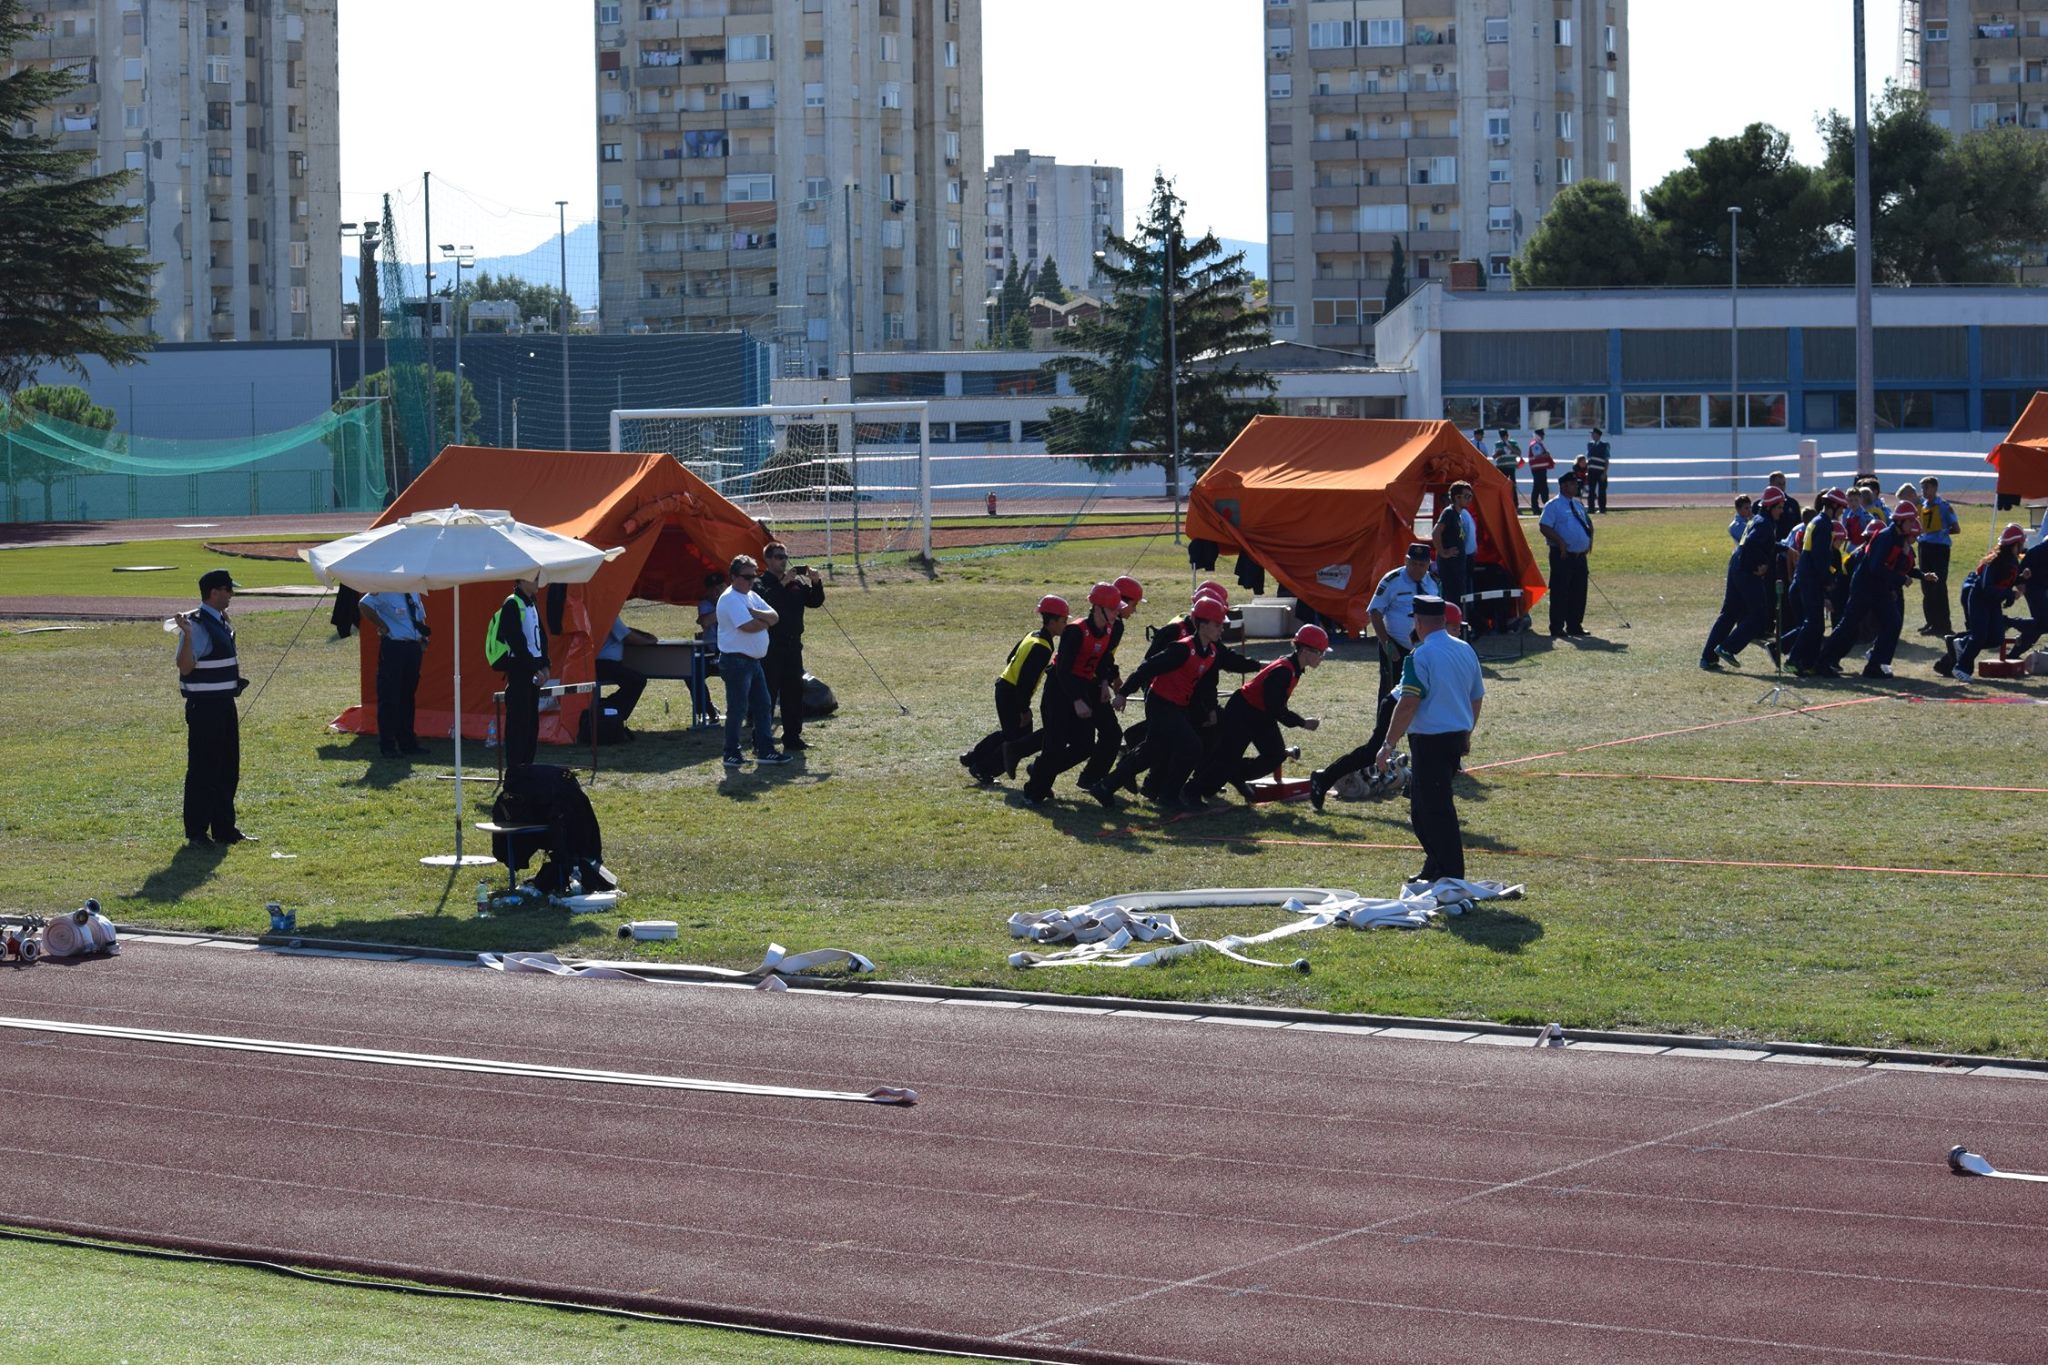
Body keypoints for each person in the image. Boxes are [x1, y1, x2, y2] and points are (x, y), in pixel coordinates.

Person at [1309, 544, 1437, 812]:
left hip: (1411, 684)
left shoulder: (1431, 646)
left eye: (1422, 565)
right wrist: (1387, 642)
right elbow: (1375, 611)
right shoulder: (1418, 653)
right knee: (1377, 746)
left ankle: (1416, 786)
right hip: (1399, 692)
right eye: (1413, 563)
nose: (1417, 569)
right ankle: (1324, 778)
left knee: (1423, 733)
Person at [1107, 595, 1258, 810]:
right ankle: (1170, 796)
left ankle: (1105, 787)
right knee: (1191, 746)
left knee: (1152, 751)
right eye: (1217, 625)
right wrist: (1123, 693)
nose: (1221, 629)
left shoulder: (1212, 650)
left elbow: (1221, 673)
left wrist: (1259, 666)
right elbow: (1148, 668)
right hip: (1160, 703)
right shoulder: (1183, 648)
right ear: (1203, 625)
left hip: (1178, 705)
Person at [1375, 595, 1484, 887]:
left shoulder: (1419, 656)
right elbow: (1476, 697)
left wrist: (1387, 744)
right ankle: (1435, 866)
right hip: (1455, 737)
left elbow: (1408, 702)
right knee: (1423, 807)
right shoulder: (1465, 650)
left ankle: (1450, 874)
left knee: (1435, 810)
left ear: (1419, 622)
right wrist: (1468, 733)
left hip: (1430, 741)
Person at [1185, 624, 1326, 810]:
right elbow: (1274, 707)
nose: (1322, 658)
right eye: (1320, 653)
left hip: (1261, 714)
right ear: (1306, 650)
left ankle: (1235, 775)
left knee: (1275, 754)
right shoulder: (1284, 671)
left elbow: (1272, 707)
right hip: (1243, 712)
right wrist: (1302, 722)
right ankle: (1190, 791)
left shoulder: (1292, 668)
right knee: (1226, 758)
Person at [1022, 582, 1127, 807]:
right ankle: (1034, 792)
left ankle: (1039, 770)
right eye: (1113, 609)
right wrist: (1077, 701)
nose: (1118, 612)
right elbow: (1063, 670)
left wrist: (1103, 683)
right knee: (1055, 742)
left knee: (1084, 745)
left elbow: (1104, 659)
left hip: (1086, 687)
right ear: (1097, 608)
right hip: (1060, 689)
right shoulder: (1075, 631)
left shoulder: (1113, 629)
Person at [174, 568, 253, 848]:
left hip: (224, 704)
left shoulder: (219, 621)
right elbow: (185, 666)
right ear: (214, 592)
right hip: (205, 708)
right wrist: (186, 635)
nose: (232, 594)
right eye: (228, 590)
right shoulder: (196, 625)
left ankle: (224, 828)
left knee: (228, 768)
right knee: (203, 770)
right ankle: (197, 832)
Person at [1817, 503, 1935, 678]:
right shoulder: (1885, 537)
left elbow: (1899, 567)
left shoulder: (1898, 541)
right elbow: (1875, 567)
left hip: (1879, 589)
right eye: (1910, 521)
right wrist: (1901, 579)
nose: (1912, 525)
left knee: (1893, 622)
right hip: (1864, 587)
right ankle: (1822, 662)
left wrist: (1922, 575)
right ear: (1900, 521)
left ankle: (1876, 665)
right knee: (1848, 625)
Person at [960, 594, 1066, 782]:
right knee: (1017, 739)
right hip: (1012, 693)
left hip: (1005, 687)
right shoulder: (1042, 648)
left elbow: (1010, 658)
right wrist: (1024, 710)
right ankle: (983, 769)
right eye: (1064, 620)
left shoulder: (1033, 635)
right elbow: (1025, 683)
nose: (1066, 624)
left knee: (1011, 733)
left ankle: (973, 757)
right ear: (1052, 622)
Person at [715, 554, 789, 769]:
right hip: (736, 662)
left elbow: (774, 616)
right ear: (733, 576)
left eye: (753, 577)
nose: (750, 581)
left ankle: (765, 750)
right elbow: (747, 627)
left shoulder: (750, 597)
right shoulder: (730, 598)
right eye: (746, 577)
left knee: (764, 705)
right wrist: (765, 622)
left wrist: (758, 615)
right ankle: (731, 753)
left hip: (753, 662)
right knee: (738, 708)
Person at [1701, 487, 1789, 669]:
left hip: (1736, 566)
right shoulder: (1765, 523)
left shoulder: (1758, 518)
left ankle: (1708, 658)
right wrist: (1759, 566)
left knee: (1729, 614)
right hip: (1746, 571)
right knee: (1759, 615)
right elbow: (1751, 544)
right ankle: (1727, 648)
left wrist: (1786, 548)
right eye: (1779, 507)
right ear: (1771, 507)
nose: (1781, 511)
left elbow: (1764, 543)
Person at [756, 542, 825, 751]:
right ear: (767, 560)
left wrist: (816, 582)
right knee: (767, 694)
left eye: (785, 556)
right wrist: (783, 582)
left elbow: (814, 601)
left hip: (793, 647)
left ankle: (793, 737)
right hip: (771, 647)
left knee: (793, 693)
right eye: (778, 557)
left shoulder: (795, 584)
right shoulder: (761, 583)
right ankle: (761, 740)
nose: (783, 561)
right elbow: (766, 602)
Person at [1938, 525, 2028, 678]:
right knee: (1979, 636)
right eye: (2021, 543)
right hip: (1979, 599)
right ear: (2014, 544)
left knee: (1996, 637)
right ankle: (1961, 668)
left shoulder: (2012, 560)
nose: (2023, 547)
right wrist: (2010, 595)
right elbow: (1987, 588)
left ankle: (1960, 642)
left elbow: (2005, 580)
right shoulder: (1994, 561)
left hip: (1992, 601)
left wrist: (2021, 578)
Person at [484, 577, 548, 770]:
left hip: (533, 672)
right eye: (533, 577)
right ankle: (516, 770)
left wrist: (546, 665)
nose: (538, 580)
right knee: (518, 724)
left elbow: (541, 637)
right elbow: (516, 641)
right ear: (520, 581)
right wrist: (534, 667)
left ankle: (527, 767)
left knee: (531, 724)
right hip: (520, 671)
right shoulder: (512, 603)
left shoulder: (532, 603)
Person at [1783, 488, 1847, 676]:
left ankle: (1807, 661)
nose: (1842, 511)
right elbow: (1820, 558)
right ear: (1834, 506)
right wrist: (1827, 581)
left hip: (1807, 577)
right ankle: (1793, 660)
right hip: (1810, 578)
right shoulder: (1824, 525)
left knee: (1815, 624)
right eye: (1841, 508)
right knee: (1813, 623)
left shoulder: (1817, 521)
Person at [358, 588, 430, 756]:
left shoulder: (413, 590)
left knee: (408, 696)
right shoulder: (384, 588)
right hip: (394, 646)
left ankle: (408, 742)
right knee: (389, 696)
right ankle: (388, 745)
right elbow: (364, 604)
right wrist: (382, 625)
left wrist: (424, 638)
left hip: (413, 646)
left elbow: (419, 616)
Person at [1537, 470, 1594, 638]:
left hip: (1579, 556)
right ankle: (1557, 626)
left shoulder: (1577, 504)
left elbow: (1587, 523)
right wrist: (1560, 542)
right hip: (1562, 555)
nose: (1576, 487)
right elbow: (1544, 526)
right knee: (1560, 591)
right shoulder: (1553, 506)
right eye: (1573, 484)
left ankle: (1575, 625)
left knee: (1579, 590)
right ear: (1564, 485)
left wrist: (1588, 541)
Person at [1914, 475, 1960, 637]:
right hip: (1924, 546)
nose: (1923, 491)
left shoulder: (1944, 506)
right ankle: (1931, 621)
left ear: (1934, 488)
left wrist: (1943, 531)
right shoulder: (1922, 506)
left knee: (1938, 585)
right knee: (1926, 584)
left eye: (1926, 488)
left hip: (1939, 548)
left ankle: (1943, 624)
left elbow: (1956, 528)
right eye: (1922, 488)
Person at [593, 613, 656, 730]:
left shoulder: (602, 612)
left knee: (634, 680)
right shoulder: (609, 614)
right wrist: (649, 641)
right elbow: (628, 636)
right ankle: (610, 710)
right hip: (605, 663)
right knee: (637, 681)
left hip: (603, 663)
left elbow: (625, 631)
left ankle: (607, 707)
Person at [1432, 480, 1478, 613]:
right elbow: (1436, 532)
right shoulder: (1449, 513)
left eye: (1471, 496)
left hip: (1459, 564)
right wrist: (1442, 552)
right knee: (1452, 598)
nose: (1469, 500)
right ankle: (1451, 626)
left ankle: (1459, 626)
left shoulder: (1459, 515)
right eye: (1466, 496)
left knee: (1459, 597)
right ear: (1457, 497)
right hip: (1450, 565)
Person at [1582, 426, 1611, 514]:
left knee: (1601, 491)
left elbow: (1606, 460)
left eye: (1593, 434)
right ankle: (1591, 509)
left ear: (1598, 435)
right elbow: (1589, 458)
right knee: (1591, 491)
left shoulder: (1604, 445)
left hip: (1600, 471)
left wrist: (1604, 473)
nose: (1592, 436)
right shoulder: (1590, 445)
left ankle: (1602, 508)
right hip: (1591, 472)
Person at [1525, 427, 1554, 513]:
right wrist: (1546, 454)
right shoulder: (1535, 444)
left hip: (1540, 469)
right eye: (1542, 435)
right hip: (1538, 469)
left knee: (1537, 488)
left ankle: (1536, 508)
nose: (1543, 437)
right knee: (1543, 488)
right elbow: (1537, 455)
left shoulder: (1538, 444)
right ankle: (1544, 506)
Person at [1491, 428, 1522, 507]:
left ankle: (1515, 505)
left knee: (1512, 486)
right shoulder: (1497, 444)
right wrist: (1498, 453)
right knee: (1501, 486)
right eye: (1501, 436)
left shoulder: (1513, 442)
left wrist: (1509, 446)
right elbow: (1494, 456)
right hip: (1501, 467)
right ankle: (1501, 504)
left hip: (1511, 467)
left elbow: (1518, 453)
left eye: (1504, 436)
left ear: (1507, 435)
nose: (1503, 438)